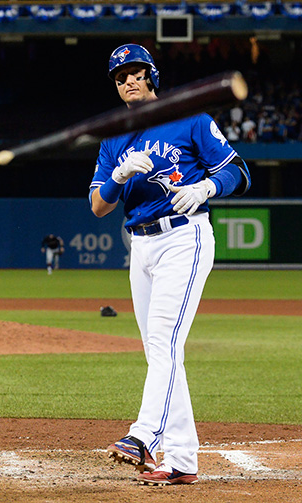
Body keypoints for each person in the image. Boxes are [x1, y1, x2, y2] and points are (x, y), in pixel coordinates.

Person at [90, 44, 251, 486]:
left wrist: (207, 188)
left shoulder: (191, 119)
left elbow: (239, 171)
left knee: (162, 339)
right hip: (140, 246)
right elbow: (98, 206)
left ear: (152, 76)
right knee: (161, 350)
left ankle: (142, 435)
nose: (128, 81)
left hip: (185, 235)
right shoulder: (113, 135)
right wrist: (118, 176)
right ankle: (182, 460)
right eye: (120, 77)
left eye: (136, 73)